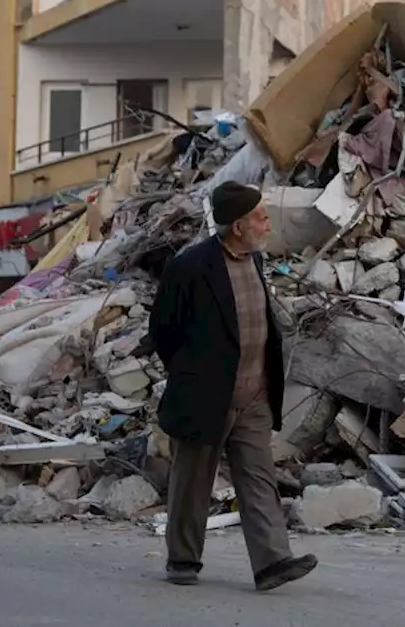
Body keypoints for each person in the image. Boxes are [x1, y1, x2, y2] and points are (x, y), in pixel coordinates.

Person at [149, 181, 317, 592]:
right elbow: (163, 330)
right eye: (261, 217)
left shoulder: (255, 262)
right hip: (207, 394)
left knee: (259, 479)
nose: (267, 224)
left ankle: (272, 562)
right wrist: (192, 375)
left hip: (255, 393)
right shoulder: (190, 267)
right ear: (239, 226)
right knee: (193, 482)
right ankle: (183, 559)